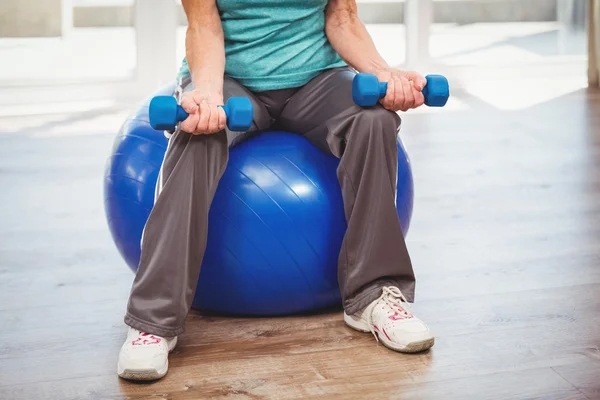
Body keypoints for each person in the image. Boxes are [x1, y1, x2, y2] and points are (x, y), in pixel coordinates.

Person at [117, 0, 434, 381]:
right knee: (199, 134)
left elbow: (343, 16)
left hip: (317, 79)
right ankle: (154, 320)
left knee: (373, 120)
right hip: (230, 79)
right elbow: (204, 25)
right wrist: (206, 94)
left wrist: (386, 76)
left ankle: (375, 294)